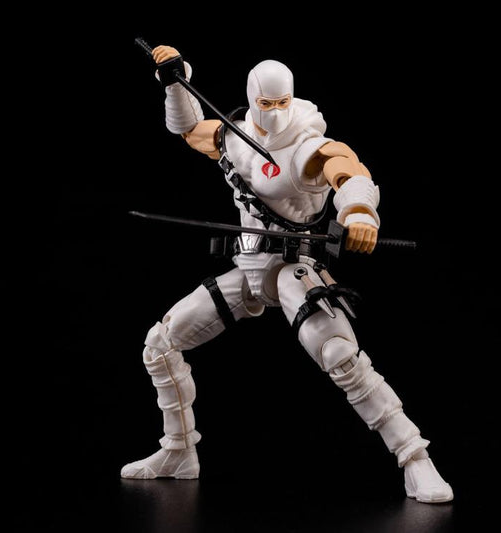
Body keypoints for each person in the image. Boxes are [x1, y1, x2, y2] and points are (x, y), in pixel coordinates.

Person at [121, 45, 453, 504]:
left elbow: (345, 166)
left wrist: (359, 211)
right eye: (266, 103)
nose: (275, 112)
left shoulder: (305, 144)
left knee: (338, 353)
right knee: (160, 345)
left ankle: (415, 458)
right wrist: (176, 83)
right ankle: (179, 452)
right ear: (252, 99)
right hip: (248, 266)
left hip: (292, 266)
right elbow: (191, 131)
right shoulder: (235, 136)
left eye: (282, 102)